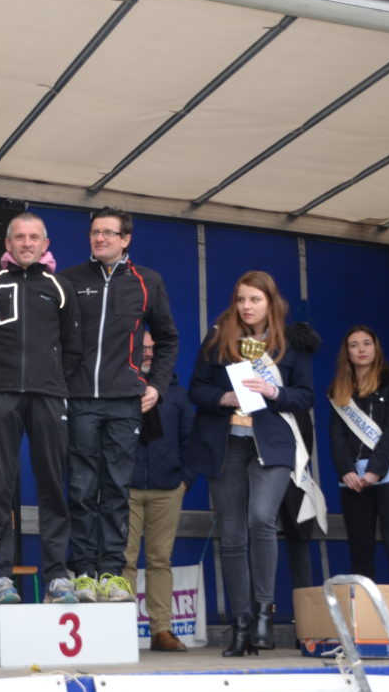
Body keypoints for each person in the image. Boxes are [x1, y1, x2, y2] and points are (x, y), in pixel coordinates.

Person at [186, 270, 321, 657]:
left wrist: (273, 391)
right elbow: (196, 388)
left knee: (261, 518)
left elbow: (306, 396)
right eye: (241, 299)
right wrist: (223, 398)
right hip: (226, 442)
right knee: (231, 536)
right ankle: (241, 624)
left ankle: (264, 612)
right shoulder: (218, 339)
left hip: (272, 444)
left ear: (270, 303)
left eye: (255, 300)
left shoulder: (291, 343)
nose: (247, 306)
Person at [61, 207, 178, 603]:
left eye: (109, 233)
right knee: (81, 488)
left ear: (126, 239)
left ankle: (111, 573)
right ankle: (83, 572)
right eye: (95, 232)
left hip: (125, 402)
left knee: (115, 489)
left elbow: (168, 339)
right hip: (80, 398)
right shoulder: (71, 279)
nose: (100, 238)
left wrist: (156, 385)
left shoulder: (148, 281)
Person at [0, 212, 81, 605]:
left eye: (34, 237)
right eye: (20, 237)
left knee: (52, 485)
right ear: (8, 244)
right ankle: (1, 576)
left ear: (45, 244)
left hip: (48, 397)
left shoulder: (60, 287)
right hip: (2, 397)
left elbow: (73, 348)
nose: (27, 243)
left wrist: (57, 386)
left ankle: (57, 577)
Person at [329, 324, 389, 585]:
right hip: (353, 479)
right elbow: (336, 435)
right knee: (360, 549)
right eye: (354, 345)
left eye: (366, 343)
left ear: (376, 348)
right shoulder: (338, 390)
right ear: (347, 353)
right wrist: (346, 471)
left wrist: (375, 470)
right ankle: (365, 609)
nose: (361, 349)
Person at [122, 334, 194, 651]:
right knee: (124, 560)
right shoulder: (119, 388)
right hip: (126, 488)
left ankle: (161, 631)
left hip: (167, 489)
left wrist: (184, 480)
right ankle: (121, 629)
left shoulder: (176, 394)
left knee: (160, 561)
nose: (149, 353)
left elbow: (190, 439)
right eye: (143, 348)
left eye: (153, 348)